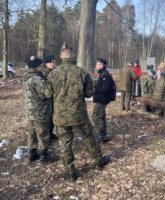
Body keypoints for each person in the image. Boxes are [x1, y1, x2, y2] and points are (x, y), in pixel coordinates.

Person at [45, 44, 110, 181]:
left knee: (65, 144)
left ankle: (70, 173)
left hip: (61, 116)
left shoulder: (53, 74)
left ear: (61, 57)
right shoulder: (81, 72)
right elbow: (88, 93)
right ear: (73, 57)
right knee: (88, 137)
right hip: (79, 115)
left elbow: (47, 93)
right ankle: (98, 160)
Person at [23, 58, 52, 164]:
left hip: (30, 110)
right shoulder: (37, 79)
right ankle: (44, 155)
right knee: (43, 132)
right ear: (36, 67)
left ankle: (32, 153)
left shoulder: (27, 77)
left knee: (32, 132)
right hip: (40, 110)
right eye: (40, 66)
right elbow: (45, 94)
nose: (42, 67)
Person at [92, 58, 114, 143]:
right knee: (100, 116)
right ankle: (103, 134)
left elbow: (106, 89)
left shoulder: (105, 75)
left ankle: (102, 134)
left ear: (101, 65)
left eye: (97, 64)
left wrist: (96, 89)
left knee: (96, 116)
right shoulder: (103, 74)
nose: (96, 66)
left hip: (102, 99)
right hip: (101, 99)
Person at [42, 55, 58, 141]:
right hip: (46, 98)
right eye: (50, 62)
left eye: (54, 62)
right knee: (46, 117)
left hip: (55, 98)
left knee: (52, 116)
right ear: (46, 64)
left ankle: (51, 133)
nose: (52, 64)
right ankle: (46, 135)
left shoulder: (56, 72)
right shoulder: (43, 73)